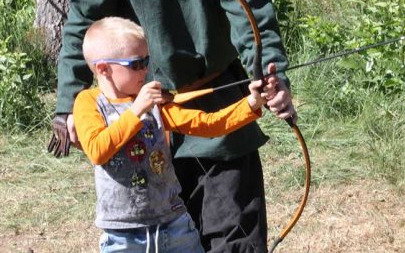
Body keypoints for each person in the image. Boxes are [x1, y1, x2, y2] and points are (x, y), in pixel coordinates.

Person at [50, 0, 295, 252]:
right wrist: (67, 105)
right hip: (144, 115)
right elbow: (83, 19)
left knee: (235, 237)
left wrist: (272, 79)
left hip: (216, 107)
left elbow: (256, 26)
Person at [74, 17, 280, 253]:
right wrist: (137, 109)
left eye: (147, 61)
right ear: (103, 69)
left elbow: (208, 124)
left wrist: (252, 102)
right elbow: (97, 151)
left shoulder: (152, 103)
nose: (145, 70)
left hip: (174, 226)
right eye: (136, 64)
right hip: (123, 236)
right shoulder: (89, 102)